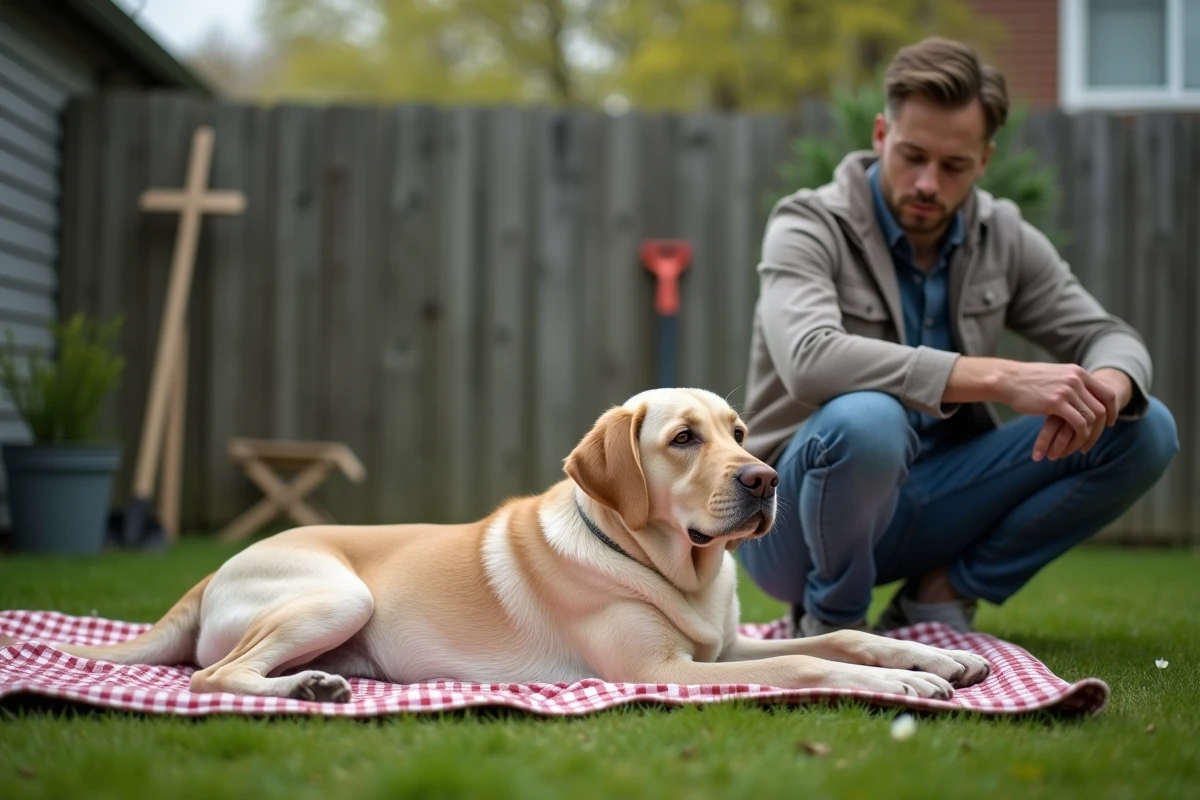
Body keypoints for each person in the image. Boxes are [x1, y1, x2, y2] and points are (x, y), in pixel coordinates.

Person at [737, 36, 1179, 638]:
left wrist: (1104, 391)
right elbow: (809, 359)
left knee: (1145, 429)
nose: (928, 183)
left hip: (941, 498)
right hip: (792, 520)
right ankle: (834, 623)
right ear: (881, 134)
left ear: (984, 160)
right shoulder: (809, 224)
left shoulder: (1003, 236)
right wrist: (1000, 377)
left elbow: (1108, 335)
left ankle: (941, 595)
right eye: (913, 156)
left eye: (953, 167)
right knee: (868, 420)